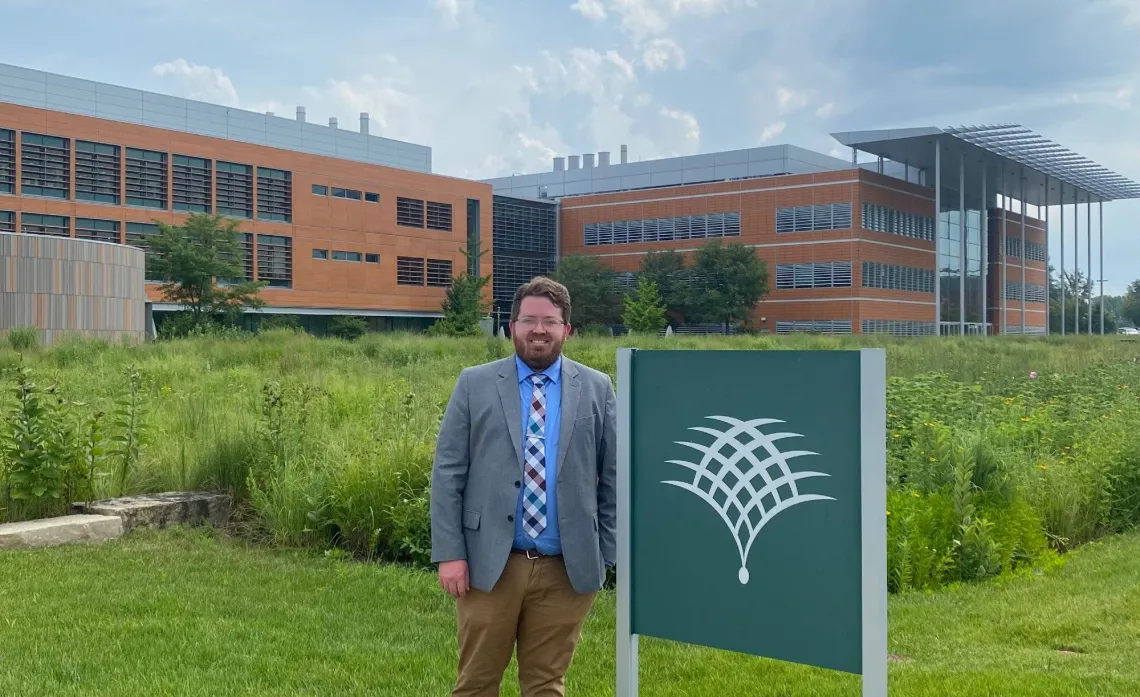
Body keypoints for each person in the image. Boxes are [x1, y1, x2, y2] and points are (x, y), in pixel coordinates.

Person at [430, 276, 617, 697]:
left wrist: (605, 551)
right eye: (529, 320)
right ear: (511, 325)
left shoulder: (596, 387)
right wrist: (450, 553)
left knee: (545, 685)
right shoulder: (474, 383)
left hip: (564, 570)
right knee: (476, 684)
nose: (538, 330)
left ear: (567, 329)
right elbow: (448, 473)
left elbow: (614, 476)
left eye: (549, 322)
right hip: (487, 566)